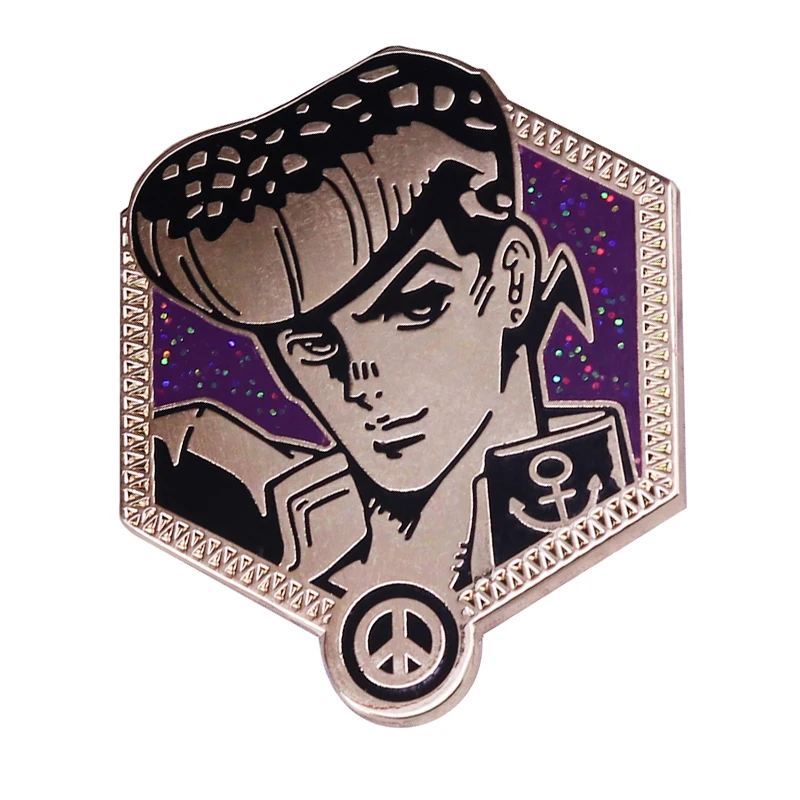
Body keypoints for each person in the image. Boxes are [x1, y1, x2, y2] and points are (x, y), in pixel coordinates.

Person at [131, 47, 635, 599]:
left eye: (416, 306)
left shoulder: (602, 513)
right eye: (315, 344)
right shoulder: (272, 523)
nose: (360, 383)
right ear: (280, 362)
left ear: (512, 280)